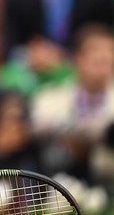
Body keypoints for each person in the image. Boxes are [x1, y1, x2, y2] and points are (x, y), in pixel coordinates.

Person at [31, 24, 114, 183]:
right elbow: (35, 125)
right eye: (96, 60)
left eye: (108, 59)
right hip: (55, 181)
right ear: (78, 60)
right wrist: (73, 130)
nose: (103, 66)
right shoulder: (49, 96)